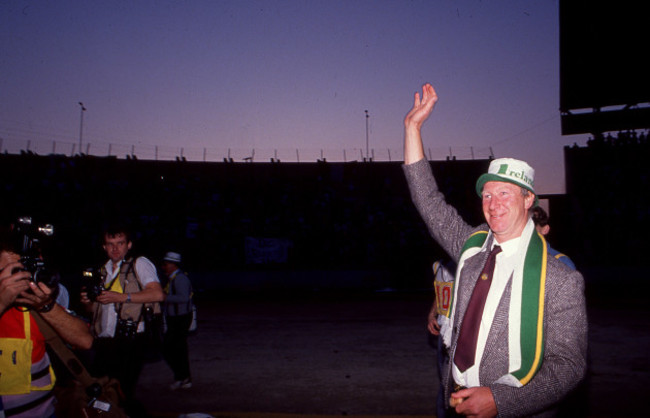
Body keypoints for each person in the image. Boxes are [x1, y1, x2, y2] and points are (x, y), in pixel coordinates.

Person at [402, 83, 587, 417]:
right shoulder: (471, 247)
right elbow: (428, 201)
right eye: (487, 195)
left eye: (505, 193)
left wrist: (501, 401)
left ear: (529, 199)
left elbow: (568, 367)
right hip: (455, 400)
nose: (493, 203)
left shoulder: (560, 277)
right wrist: (412, 128)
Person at [1, 225, 93, 417]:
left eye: (23, 270)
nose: (20, 278)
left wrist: (46, 305)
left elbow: (84, 340)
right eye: (12, 271)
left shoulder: (31, 303)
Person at [80, 225, 164, 413]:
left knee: (122, 392)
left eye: (120, 243)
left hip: (131, 340)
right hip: (105, 340)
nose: (115, 248)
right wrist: (87, 302)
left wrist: (121, 297)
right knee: (99, 389)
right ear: (104, 247)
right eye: (110, 244)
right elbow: (93, 310)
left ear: (129, 245)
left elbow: (158, 294)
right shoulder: (102, 270)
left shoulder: (139, 263)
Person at [160, 251, 194, 390]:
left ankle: (183, 377)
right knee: (175, 349)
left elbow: (184, 298)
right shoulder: (172, 278)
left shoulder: (180, 279)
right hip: (176, 317)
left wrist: (164, 297)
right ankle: (182, 377)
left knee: (174, 348)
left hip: (180, 318)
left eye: (166, 264)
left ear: (173, 265)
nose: (164, 267)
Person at [427, 259, 456, 418]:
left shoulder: (466, 261)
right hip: (443, 329)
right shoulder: (438, 264)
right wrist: (433, 313)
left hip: (457, 332)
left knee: (452, 387)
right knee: (445, 385)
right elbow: (440, 293)